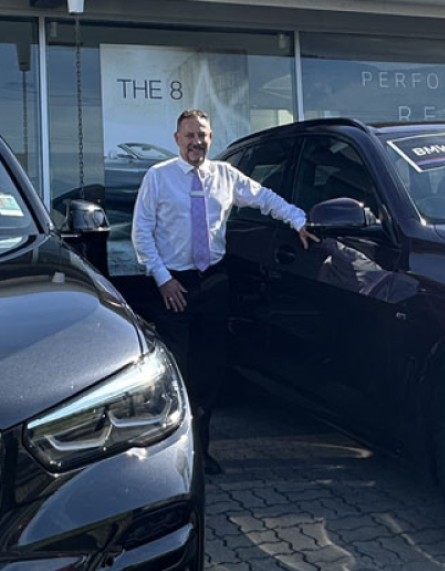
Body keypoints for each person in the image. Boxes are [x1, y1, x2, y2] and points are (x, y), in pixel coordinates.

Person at [132, 109, 316, 475]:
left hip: (213, 281)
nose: (196, 142)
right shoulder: (158, 177)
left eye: (202, 135)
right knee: (176, 372)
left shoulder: (224, 176)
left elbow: (265, 198)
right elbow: (141, 233)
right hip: (174, 285)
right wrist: (163, 279)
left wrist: (298, 220)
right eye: (189, 136)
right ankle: (170, 459)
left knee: (210, 370)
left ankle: (202, 451)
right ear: (177, 139)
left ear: (210, 138)